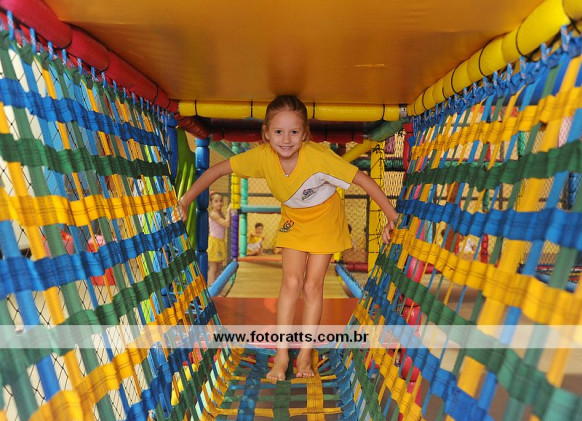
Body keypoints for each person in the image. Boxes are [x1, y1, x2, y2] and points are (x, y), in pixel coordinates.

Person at [178, 95, 398, 381]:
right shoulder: (262, 156)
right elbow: (217, 170)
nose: (286, 139)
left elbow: (362, 180)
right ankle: (281, 355)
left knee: (313, 284)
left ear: (304, 134)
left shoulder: (319, 157)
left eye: (294, 132)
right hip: (294, 220)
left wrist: (392, 216)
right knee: (291, 282)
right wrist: (185, 201)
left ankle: (305, 353)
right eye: (279, 131)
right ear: (266, 133)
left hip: (325, 220)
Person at [207, 191, 231, 287]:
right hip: (214, 242)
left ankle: (216, 287)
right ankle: (211, 288)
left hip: (221, 242)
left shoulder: (220, 213)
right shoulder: (213, 214)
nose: (219, 203)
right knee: (213, 267)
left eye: (221, 201)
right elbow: (227, 224)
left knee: (219, 267)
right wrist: (229, 212)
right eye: (216, 201)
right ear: (211, 204)